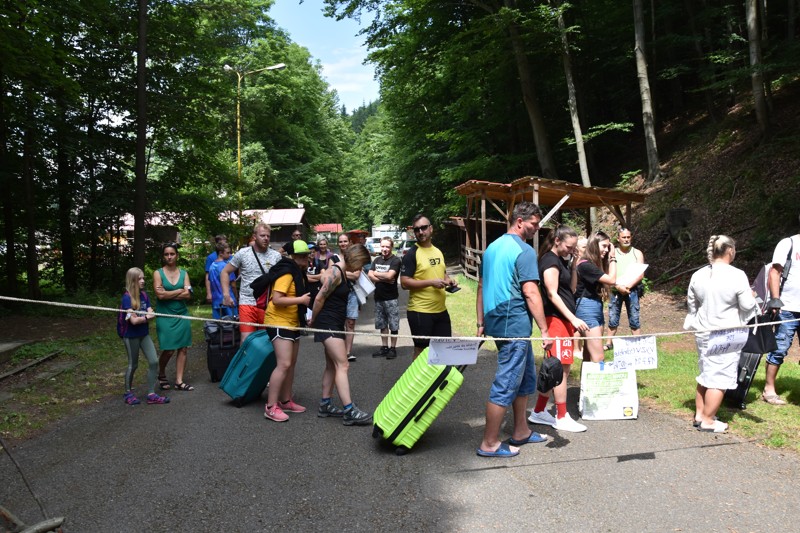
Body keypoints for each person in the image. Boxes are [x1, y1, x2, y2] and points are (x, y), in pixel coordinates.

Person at [475, 202, 552, 458]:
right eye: (534, 223)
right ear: (520, 221)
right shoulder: (524, 250)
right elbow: (531, 292)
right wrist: (544, 329)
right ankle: (489, 443)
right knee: (506, 382)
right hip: (513, 325)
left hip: (498, 321)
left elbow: (481, 287)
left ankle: (521, 430)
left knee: (526, 377)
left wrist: (480, 322)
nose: (537, 228)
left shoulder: (491, 248)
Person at [684, 235, 756, 432]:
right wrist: (753, 296)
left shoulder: (698, 274)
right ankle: (708, 420)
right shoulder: (737, 275)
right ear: (730, 251)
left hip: (703, 331)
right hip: (726, 334)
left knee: (706, 372)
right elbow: (747, 305)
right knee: (720, 377)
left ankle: (700, 414)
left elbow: (691, 304)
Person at [527, 225, 589, 433]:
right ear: (557, 241)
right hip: (556, 320)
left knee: (556, 367)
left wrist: (573, 265)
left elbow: (570, 289)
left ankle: (539, 410)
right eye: (569, 247)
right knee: (560, 368)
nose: (571, 250)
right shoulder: (550, 261)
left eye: (574, 247)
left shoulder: (561, 260)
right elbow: (552, 294)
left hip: (564, 320)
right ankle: (561, 416)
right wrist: (573, 318)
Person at [308, 243, 373, 426]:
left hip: (335, 322)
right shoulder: (336, 272)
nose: (359, 269)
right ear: (355, 260)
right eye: (360, 264)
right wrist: (313, 320)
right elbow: (319, 297)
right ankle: (349, 410)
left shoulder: (341, 272)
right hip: (328, 323)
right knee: (343, 364)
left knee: (332, 365)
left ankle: (325, 405)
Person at [263, 241, 313, 422]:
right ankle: (270, 407)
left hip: (292, 322)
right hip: (278, 321)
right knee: (283, 364)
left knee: (290, 364)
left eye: (307, 254)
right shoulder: (286, 273)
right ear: (295, 256)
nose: (307, 258)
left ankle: (285, 401)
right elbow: (276, 300)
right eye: (303, 255)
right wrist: (300, 300)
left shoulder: (298, 272)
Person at [400, 215, 457, 359]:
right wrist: (431, 282)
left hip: (441, 310)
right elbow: (404, 283)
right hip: (420, 311)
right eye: (417, 229)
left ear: (431, 228)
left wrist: (449, 281)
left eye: (424, 228)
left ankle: (439, 375)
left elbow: (443, 274)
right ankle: (417, 375)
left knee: (443, 350)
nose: (420, 232)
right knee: (422, 352)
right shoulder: (411, 254)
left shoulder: (437, 251)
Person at [221, 223, 282, 342]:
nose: (266, 238)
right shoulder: (243, 253)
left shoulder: (276, 256)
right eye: (262, 235)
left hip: (267, 304)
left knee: (266, 339)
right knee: (246, 339)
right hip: (247, 302)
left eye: (268, 236)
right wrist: (226, 295)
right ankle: (245, 355)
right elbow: (225, 272)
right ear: (254, 236)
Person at [761, 222, 800, 405]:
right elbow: (774, 272)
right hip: (788, 308)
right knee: (780, 348)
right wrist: (775, 300)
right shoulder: (788, 243)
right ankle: (769, 389)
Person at [120, 268, 170, 405]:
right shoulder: (127, 298)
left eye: (143, 278)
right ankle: (128, 393)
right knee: (133, 364)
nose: (143, 281)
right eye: (139, 279)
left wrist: (144, 317)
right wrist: (146, 317)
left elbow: (150, 313)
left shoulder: (144, 295)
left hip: (144, 334)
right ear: (132, 281)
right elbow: (133, 321)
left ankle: (151, 394)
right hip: (131, 335)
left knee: (154, 361)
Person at [154, 243, 194, 391]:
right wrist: (179, 291)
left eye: (172, 254)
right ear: (163, 256)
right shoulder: (158, 273)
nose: (169, 257)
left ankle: (179, 381)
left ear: (177, 255)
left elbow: (188, 295)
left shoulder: (184, 273)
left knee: (183, 348)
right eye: (166, 254)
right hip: (165, 315)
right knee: (169, 349)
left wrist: (168, 293)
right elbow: (160, 296)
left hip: (182, 314)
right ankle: (161, 373)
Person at [575, 231, 616, 362]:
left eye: (608, 247)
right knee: (598, 357)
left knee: (588, 354)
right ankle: (601, 375)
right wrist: (613, 258)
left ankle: (586, 376)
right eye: (604, 246)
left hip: (596, 306)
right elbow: (612, 279)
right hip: (587, 308)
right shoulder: (585, 265)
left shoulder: (593, 264)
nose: (606, 250)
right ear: (594, 244)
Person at [606, 228, 645, 350]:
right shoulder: (612, 253)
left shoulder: (637, 253)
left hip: (632, 290)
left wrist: (627, 286)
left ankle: (638, 343)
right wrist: (617, 286)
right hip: (615, 289)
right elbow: (607, 272)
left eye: (628, 237)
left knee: (634, 316)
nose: (626, 239)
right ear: (618, 238)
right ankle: (608, 343)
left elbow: (640, 273)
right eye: (624, 237)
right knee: (613, 316)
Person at [368, 237, 402, 359]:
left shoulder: (395, 260)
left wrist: (376, 274)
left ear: (391, 247)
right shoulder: (377, 260)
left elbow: (390, 276)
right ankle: (384, 347)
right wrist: (383, 278)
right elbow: (369, 274)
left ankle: (393, 348)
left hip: (391, 298)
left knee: (393, 324)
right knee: (382, 324)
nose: (385, 249)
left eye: (387, 246)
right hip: (378, 297)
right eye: (383, 246)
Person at [334, 233, 361, 362]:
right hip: (337, 294)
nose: (343, 244)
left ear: (349, 242)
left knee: (350, 322)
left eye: (345, 241)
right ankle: (338, 351)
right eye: (341, 241)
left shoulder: (356, 257)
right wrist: (347, 273)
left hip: (352, 293)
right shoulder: (333, 258)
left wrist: (340, 271)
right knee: (338, 322)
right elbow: (329, 273)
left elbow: (356, 275)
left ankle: (348, 352)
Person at [209, 242, 237, 319]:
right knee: (232, 324)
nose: (230, 255)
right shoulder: (226, 267)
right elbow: (233, 285)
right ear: (221, 253)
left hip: (216, 301)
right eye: (228, 253)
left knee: (218, 324)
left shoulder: (212, 266)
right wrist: (236, 297)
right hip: (229, 300)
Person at [204, 234, 227, 304]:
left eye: (225, 243)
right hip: (217, 292)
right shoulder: (211, 257)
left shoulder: (230, 256)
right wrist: (209, 293)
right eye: (221, 244)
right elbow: (208, 275)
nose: (224, 246)